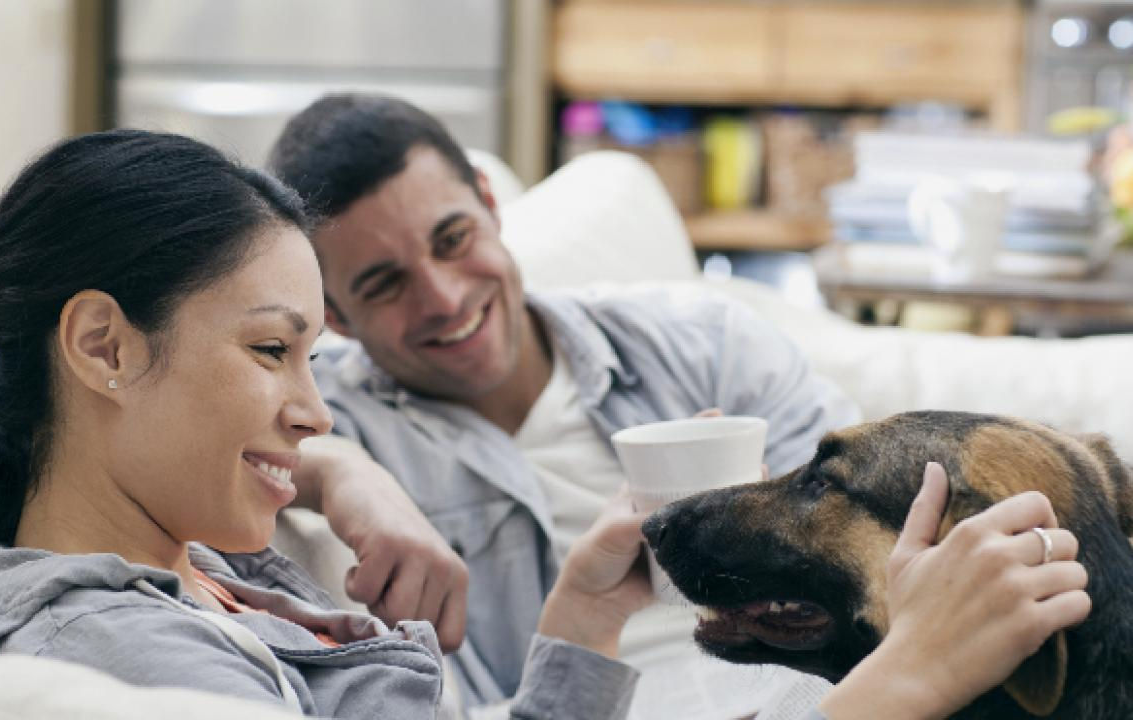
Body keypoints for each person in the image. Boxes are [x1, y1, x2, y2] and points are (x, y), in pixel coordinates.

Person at [0, 128, 1088, 720]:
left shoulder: (207, 565)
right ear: (104, 347)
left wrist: (581, 619)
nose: (316, 412)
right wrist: (898, 685)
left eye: (310, 359)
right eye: (272, 351)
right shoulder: (109, 660)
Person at [267, 93, 863, 708]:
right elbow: (183, 451)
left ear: (489, 203)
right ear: (333, 314)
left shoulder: (704, 344)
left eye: (452, 238)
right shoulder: (329, 419)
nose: (443, 299)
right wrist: (339, 468)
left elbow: (878, 526)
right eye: (386, 284)